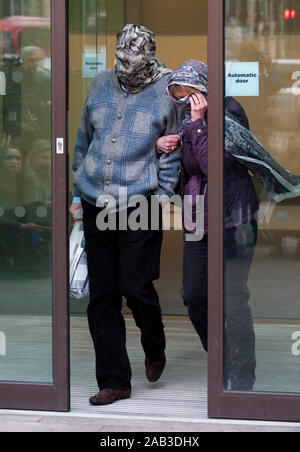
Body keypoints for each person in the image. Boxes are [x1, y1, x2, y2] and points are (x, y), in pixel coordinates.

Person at [70, 24, 181, 406]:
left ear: (149, 59)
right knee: (102, 296)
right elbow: (83, 140)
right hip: (95, 199)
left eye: (134, 62)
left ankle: (155, 343)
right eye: (121, 60)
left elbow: (174, 152)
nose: (126, 68)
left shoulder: (167, 93)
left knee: (135, 285)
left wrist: (163, 197)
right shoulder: (99, 83)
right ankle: (115, 381)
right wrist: (75, 193)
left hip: (141, 201)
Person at [166, 60, 259, 391]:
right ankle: (219, 357)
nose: (184, 103)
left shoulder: (230, 111)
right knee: (193, 293)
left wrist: (198, 124)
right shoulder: (187, 120)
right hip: (198, 215)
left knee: (233, 297)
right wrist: (166, 142)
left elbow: (213, 166)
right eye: (178, 97)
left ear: (202, 88)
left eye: (188, 94)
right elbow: (191, 165)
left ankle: (243, 373)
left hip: (235, 213)